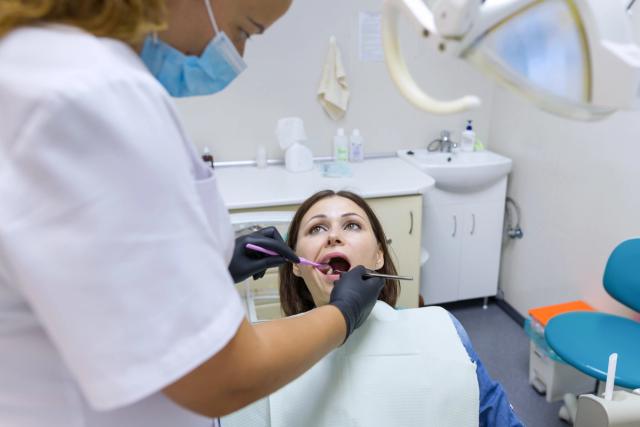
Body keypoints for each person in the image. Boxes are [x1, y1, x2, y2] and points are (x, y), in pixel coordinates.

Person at [0, 2, 385, 426]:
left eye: (351, 224)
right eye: (246, 31)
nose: (236, 52)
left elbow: (93, 274)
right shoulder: (92, 94)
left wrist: (212, 265)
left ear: (382, 255)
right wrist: (343, 314)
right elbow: (220, 375)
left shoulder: (51, 68)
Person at [279, 190, 525, 427]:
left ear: (378, 255)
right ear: (296, 265)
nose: (333, 236)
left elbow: (493, 414)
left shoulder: (441, 330)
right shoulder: (273, 355)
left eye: (352, 225)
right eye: (317, 228)